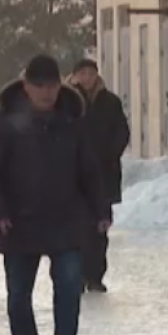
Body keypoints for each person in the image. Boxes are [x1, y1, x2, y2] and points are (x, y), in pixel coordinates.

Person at [0, 55, 110, 335]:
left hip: (65, 220)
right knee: (18, 296)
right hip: (18, 222)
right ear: (26, 86)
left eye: (52, 85)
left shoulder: (71, 119)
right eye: (40, 86)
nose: (47, 93)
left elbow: (89, 170)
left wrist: (100, 210)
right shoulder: (6, 121)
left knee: (69, 287)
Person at [68, 58, 131, 293]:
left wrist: (109, 154)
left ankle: (95, 275)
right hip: (73, 175)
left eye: (91, 73)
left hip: (103, 172)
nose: (87, 78)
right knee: (75, 227)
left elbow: (122, 132)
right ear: (75, 76)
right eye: (82, 73)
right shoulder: (67, 101)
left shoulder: (109, 102)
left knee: (100, 226)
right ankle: (76, 275)